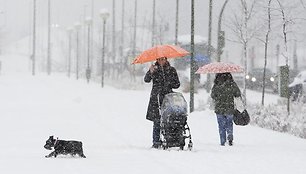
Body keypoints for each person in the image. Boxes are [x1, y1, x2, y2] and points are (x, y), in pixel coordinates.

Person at [144, 57, 180, 148]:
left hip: (168, 98)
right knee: (157, 120)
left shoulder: (171, 70)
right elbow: (146, 80)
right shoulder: (154, 69)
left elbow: (177, 84)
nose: (161, 61)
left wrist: (169, 83)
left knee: (170, 118)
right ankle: (156, 141)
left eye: (163, 59)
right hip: (156, 98)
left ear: (166, 59)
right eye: (159, 59)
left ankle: (170, 139)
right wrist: (150, 72)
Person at [211, 72, 241, 146]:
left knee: (221, 125)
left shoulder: (217, 84)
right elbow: (238, 94)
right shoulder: (232, 84)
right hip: (229, 108)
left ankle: (222, 141)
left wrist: (219, 97)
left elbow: (213, 95)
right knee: (229, 124)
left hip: (219, 108)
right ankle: (230, 137)